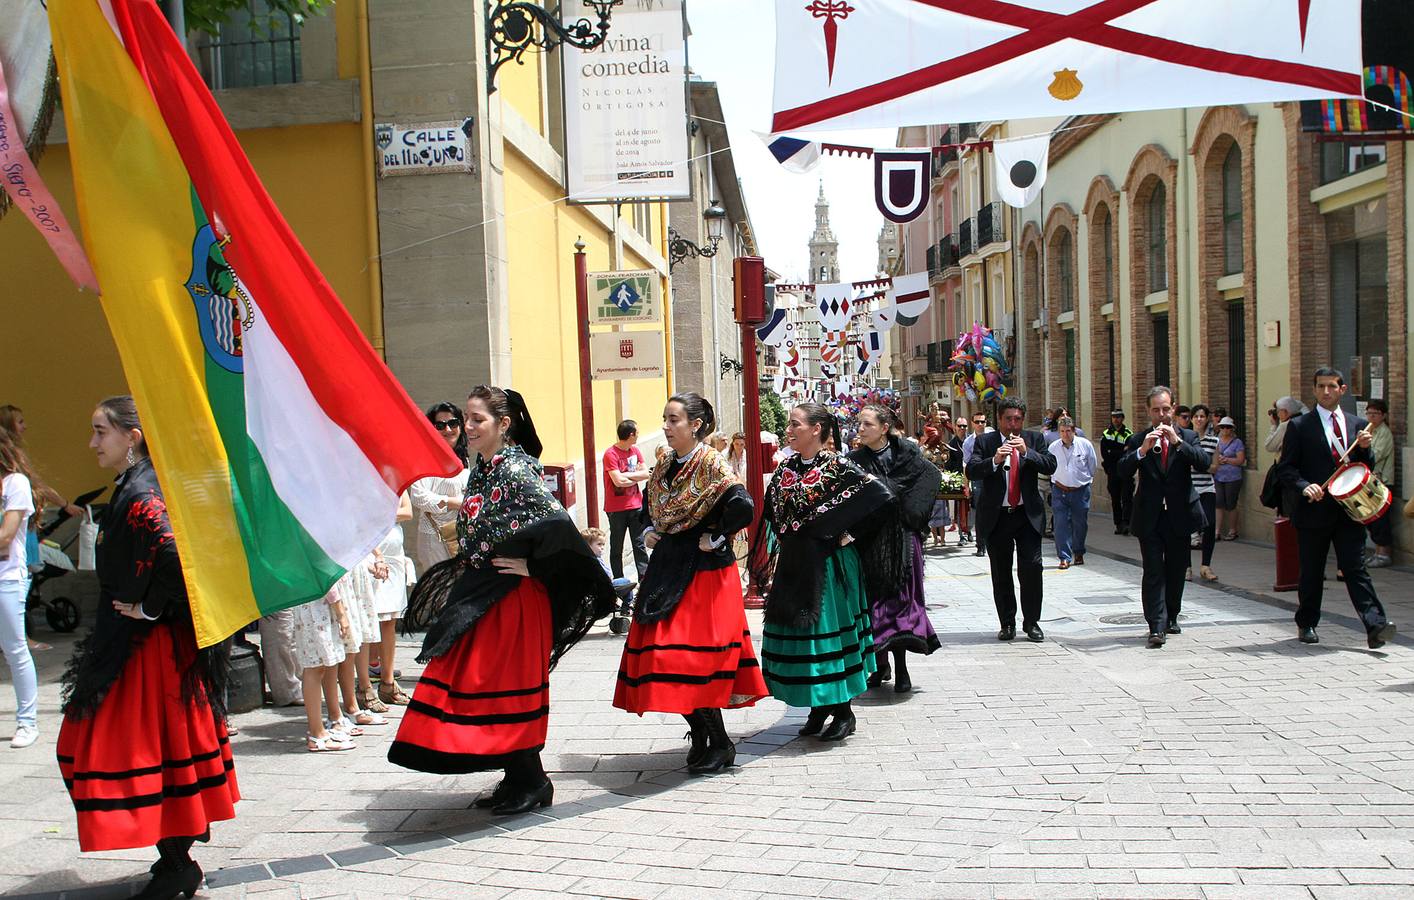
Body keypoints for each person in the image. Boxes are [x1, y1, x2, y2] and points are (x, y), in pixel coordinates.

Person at [390, 386, 613, 814]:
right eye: (468, 419)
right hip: (488, 594)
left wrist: (537, 569)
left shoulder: (514, 471)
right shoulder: (484, 468)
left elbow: (559, 526)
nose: (468, 427)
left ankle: (533, 781)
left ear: (504, 424)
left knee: (505, 686)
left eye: (477, 420)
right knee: (485, 683)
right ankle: (517, 778)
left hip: (513, 598)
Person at [57, 396, 238, 896]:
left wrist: (153, 608)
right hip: (143, 646)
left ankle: (178, 862)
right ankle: (174, 857)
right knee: (146, 751)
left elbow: (179, 556)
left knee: (133, 750)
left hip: (149, 652)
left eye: (100, 431)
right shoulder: (139, 485)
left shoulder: (142, 492)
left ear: (131, 436)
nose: (93, 442)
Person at [613, 393, 766, 774]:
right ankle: (699, 733)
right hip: (668, 565)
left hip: (705, 573)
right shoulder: (665, 463)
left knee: (693, 660)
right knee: (661, 657)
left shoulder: (711, 463)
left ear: (695, 425)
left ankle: (720, 741)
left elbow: (742, 506)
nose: (666, 426)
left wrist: (716, 535)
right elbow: (650, 503)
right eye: (665, 419)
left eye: (674, 420)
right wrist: (649, 528)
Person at [753, 403, 893, 743]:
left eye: (795, 424)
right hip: (794, 563)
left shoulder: (837, 467)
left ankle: (843, 711)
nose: (789, 429)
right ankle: (818, 705)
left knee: (823, 635)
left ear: (816, 429)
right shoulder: (786, 467)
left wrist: (847, 535)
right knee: (801, 637)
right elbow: (773, 515)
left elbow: (882, 499)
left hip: (829, 567)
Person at [1276, 367, 1396, 648]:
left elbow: (1365, 467)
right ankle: (1306, 623)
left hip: (1348, 511)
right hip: (1313, 510)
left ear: (1342, 390)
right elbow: (1286, 468)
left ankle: (1375, 625)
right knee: (1312, 571)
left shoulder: (1356, 425)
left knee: (1355, 569)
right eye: (1320, 386)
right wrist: (1305, 485)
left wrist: (1365, 449)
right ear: (1314, 390)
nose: (1326, 391)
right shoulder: (1300, 426)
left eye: (1332, 386)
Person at [849, 405, 940, 693]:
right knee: (873, 604)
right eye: (859, 424)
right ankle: (880, 665)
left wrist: (909, 513)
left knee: (899, 604)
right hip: (871, 541)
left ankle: (902, 669)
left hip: (902, 541)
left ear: (884, 427)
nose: (860, 429)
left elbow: (928, 479)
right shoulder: (854, 461)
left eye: (867, 424)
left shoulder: (909, 456)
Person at [1119, 386, 1210, 648]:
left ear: (1173, 408)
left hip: (1179, 514)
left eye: (1166, 409)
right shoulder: (1139, 439)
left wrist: (1178, 442)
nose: (1162, 415)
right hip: (1150, 515)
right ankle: (1155, 626)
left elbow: (1204, 462)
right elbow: (1122, 471)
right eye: (1156, 410)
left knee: (1176, 568)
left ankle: (1172, 615)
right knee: (1153, 570)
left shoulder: (1188, 436)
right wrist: (1142, 451)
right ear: (1148, 411)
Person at [965, 397, 1057, 642]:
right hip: (998, 516)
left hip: (1027, 515)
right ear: (999, 419)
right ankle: (1007, 623)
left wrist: (1027, 452)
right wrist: (994, 460)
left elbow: (1050, 465)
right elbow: (971, 470)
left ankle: (1032, 623)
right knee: (1001, 572)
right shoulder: (985, 441)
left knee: (1032, 569)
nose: (1013, 425)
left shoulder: (1034, 439)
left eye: (1017, 419)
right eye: (1008, 419)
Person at [0, 433, 38, 748]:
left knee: (14, 650)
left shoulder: (15, 484)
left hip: (7, 578)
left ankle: (28, 723)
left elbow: (6, 535)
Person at [408, 402, 471, 573]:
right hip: (434, 537)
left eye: (453, 423)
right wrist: (455, 503)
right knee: (441, 591)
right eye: (440, 425)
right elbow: (418, 497)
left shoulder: (463, 458)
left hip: (459, 534)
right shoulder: (425, 457)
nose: (448, 430)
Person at [602, 420, 651, 580]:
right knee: (617, 547)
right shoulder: (611, 454)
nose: (638, 435)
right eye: (637, 433)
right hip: (616, 509)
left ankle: (644, 579)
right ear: (631, 435)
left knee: (639, 544)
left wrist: (625, 476)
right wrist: (634, 477)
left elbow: (646, 473)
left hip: (636, 505)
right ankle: (619, 581)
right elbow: (618, 482)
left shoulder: (635, 451)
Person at [1048, 417, 1097, 569]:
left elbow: (1092, 466)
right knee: (1060, 523)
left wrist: (1084, 480)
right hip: (1059, 490)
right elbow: (1050, 467)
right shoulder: (1053, 447)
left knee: (1079, 523)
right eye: (1062, 431)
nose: (1065, 434)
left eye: (1068, 431)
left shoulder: (1085, 445)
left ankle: (1079, 551)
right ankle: (1064, 557)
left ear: (1074, 431)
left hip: (1080, 491)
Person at [1189, 405, 1220, 582]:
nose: (1199, 419)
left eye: (1202, 416)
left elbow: (1215, 467)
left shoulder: (1213, 441)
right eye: (1196, 416)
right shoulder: (1184, 439)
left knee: (1209, 525)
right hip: (1190, 487)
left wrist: (1201, 465)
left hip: (1207, 487)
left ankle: (1205, 566)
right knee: (1187, 527)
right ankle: (1186, 567)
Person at [1365, 399, 1395, 568]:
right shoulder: (1369, 431)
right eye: (1369, 413)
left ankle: (1384, 553)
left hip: (1382, 481)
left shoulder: (1384, 432)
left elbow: (1376, 455)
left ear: (1383, 416)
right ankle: (1377, 552)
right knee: (1372, 519)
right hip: (1370, 482)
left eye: (1375, 414)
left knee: (1380, 519)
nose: (1371, 417)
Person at [962, 412, 993, 557]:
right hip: (979, 479)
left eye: (983, 421)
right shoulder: (968, 442)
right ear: (972, 423)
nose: (980, 424)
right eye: (978, 422)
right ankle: (981, 545)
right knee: (980, 512)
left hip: (995, 476)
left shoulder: (993, 435)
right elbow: (966, 466)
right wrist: (966, 485)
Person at [1101, 409, 1135, 536]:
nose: (1116, 419)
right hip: (1112, 472)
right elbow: (1105, 454)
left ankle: (1127, 523)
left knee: (1127, 498)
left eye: (1118, 417)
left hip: (1126, 472)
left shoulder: (1128, 434)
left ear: (1123, 418)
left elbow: (1129, 453)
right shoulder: (1106, 434)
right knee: (1115, 499)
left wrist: (1113, 451)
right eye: (1114, 417)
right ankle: (1118, 524)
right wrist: (1120, 451)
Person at [1213, 417, 1247, 540]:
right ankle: (1217, 531)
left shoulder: (1237, 442)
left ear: (1232, 429)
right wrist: (1218, 460)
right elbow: (1210, 457)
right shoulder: (1216, 441)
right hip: (1218, 476)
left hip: (1233, 478)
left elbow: (1240, 460)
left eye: (1228, 427)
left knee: (1231, 504)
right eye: (1222, 427)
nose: (1225, 429)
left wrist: (1226, 459)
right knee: (1218, 503)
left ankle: (1233, 530)